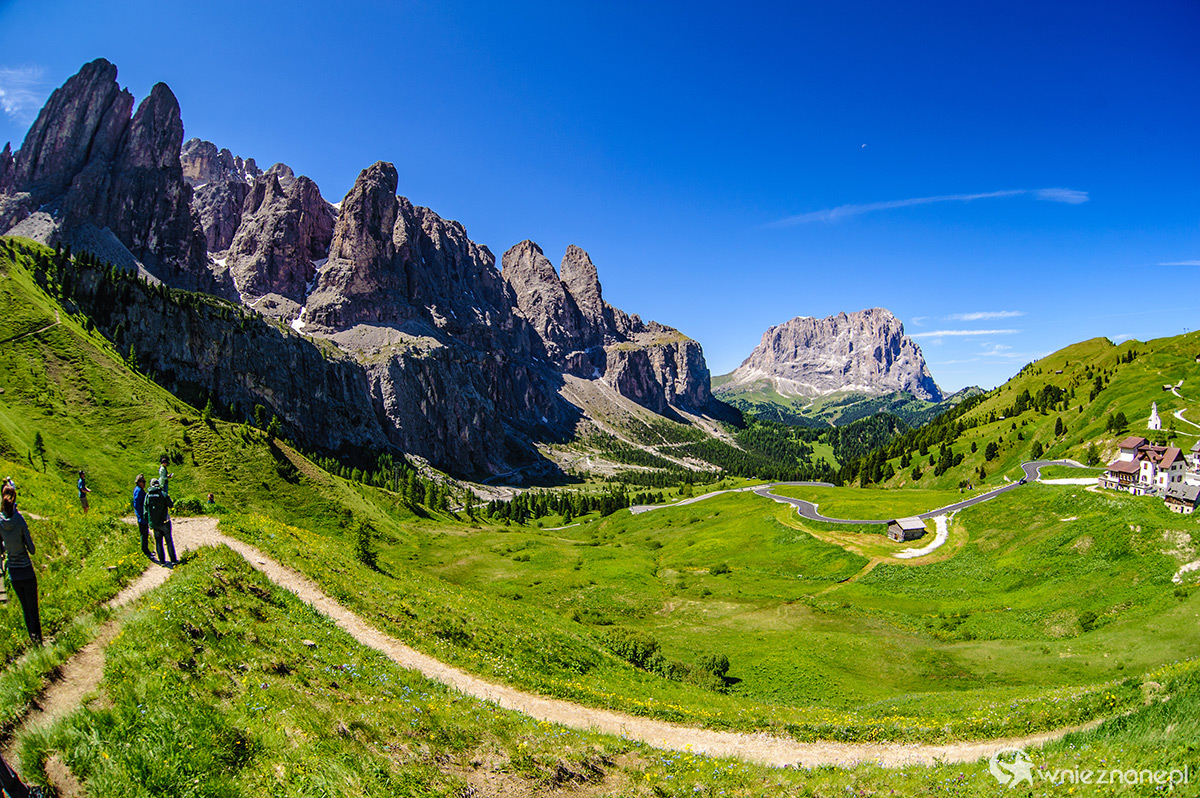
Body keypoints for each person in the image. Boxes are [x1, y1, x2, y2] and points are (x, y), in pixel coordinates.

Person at [0, 483, 41, 644]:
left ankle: (32, 639)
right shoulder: (20, 520)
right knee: (33, 609)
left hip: (14, 573)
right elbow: (32, 549)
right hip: (26, 569)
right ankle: (39, 641)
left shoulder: (0, 522)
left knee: (25, 609)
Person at [145, 478, 176, 565]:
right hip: (164, 521)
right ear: (158, 484)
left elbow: (145, 509)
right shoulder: (162, 493)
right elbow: (171, 504)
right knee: (168, 541)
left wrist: (148, 522)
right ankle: (173, 560)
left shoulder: (148, 495)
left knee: (158, 542)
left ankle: (162, 561)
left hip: (155, 523)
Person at [132, 474, 152, 559]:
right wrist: (141, 515)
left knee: (145, 533)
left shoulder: (139, 490)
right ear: (139, 482)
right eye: (143, 482)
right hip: (142, 517)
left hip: (142, 516)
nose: (144, 483)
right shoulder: (139, 491)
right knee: (144, 534)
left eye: (145, 482)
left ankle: (146, 549)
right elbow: (137, 504)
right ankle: (145, 550)